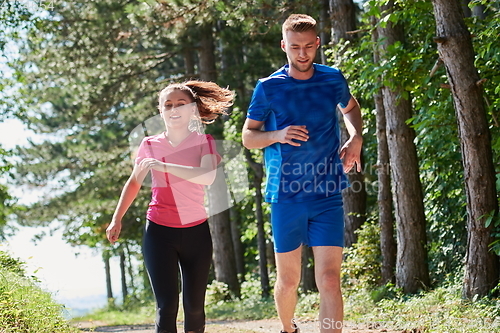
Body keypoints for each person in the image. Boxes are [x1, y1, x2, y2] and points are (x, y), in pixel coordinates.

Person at [242, 14, 363, 333]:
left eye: (309, 46)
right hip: (286, 197)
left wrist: (356, 137)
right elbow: (248, 137)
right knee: (289, 280)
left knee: (329, 279)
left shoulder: (333, 78)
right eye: (295, 47)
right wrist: (277, 135)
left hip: (327, 195)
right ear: (284, 46)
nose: (303, 53)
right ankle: (287, 328)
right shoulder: (268, 88)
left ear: (317, 44)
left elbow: (350, 108)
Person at [106, 81, 234, 333]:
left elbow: (206, 176)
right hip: (159, 232)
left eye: (180, 104)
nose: (174, 109)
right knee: (166, 306)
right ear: (160, 111)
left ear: (192, 110)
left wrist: (163, 166)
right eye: (168, 105)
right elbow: (133, 183)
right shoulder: (150, 145)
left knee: (194, 306)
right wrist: (116, 218)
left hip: (196, 231)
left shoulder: (204, 142)